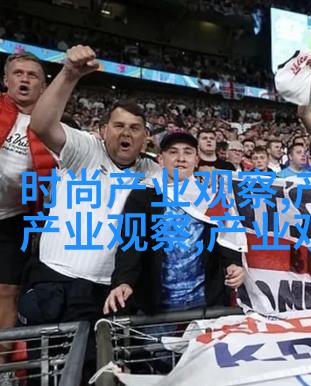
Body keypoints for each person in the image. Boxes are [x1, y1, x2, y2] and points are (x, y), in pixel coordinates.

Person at [18, 45, 161, 324]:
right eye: (119, 126)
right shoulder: (85, 149)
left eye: (135, 128)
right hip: (55, 278)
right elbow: (41, 125)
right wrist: (69, 74)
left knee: (97, 353)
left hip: (108, 289)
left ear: (146, 138)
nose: (126, 133)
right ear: (103, 130)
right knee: (44, 350)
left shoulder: (153, 172)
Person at [103, 132, 245, 315]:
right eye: (173, 152)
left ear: (196, 160)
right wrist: (124, 281)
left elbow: (225, 237)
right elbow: (132, 242)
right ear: (161, 159)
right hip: (156, 305)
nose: (181, 158)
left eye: (188, 152)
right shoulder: (144, 194)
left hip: (207, 302)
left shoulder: (210, 196)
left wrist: (233, 264)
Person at [0, 52, 55, 361]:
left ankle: (2, 368)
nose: (24, 79)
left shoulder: (52, 127)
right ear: (6, 80)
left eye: (32, 75)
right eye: (18, 73)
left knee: (7, 291)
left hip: (15, 219)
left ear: (44, 87)